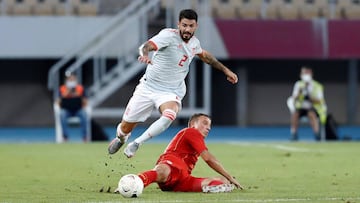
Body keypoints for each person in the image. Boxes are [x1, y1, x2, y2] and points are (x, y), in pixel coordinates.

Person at [108, 9, 238, 158]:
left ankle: (137, 143)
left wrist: (226, 70)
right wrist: (144, 55)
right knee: (125, 127)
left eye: (191, 26)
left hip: (171, 91)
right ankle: (122, 138)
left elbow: (206, 57)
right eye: (184, 25)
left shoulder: (194, 43)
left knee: (170, 114)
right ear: (178, 24)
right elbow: (146, 46)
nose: (187, 29)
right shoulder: (168, 36)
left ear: (196, 26)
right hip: (148, 87)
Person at [118, 113, 244, 193]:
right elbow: (208, 158)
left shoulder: (197, 139)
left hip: (182, 180)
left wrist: (227, 179)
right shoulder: (191, 131)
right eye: (204, 123)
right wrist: (230, 176)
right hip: (171, 164)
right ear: (192, 124)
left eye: (209, 125)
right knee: (162, 172)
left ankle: (214, 187)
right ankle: (134, 182)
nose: (208, 128)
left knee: (222, 182)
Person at [288, 66, 327, 141]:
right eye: (304, 73)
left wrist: (309, 97)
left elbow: (320, 100)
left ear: (311, 74)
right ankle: (293, 134)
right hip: (300, 108)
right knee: (295, 115)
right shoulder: (298, 84)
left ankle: (317, 134)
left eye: (307, 73)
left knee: (312, 114)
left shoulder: (317, 86)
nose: (306, 75)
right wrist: (300, 93)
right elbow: (294, 98)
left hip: (312, 107)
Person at [57, 72, 89, 141]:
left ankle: (84, 137)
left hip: (78, 110)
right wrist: (67, 92)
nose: (71, 81)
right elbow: (58, 102)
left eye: (73, 79)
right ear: (66, 80)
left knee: (84, 114)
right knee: (62, 114)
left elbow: (86, 102)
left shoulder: (80, 88)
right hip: (66, 110)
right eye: (69, 79)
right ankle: (65, 137)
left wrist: (77, 94)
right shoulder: (62, 88)